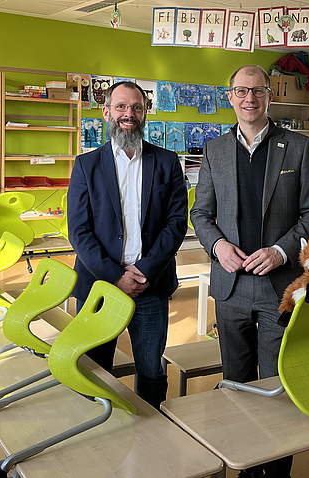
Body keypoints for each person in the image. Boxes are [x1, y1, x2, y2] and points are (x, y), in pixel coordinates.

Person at [190, 65, 309, 478]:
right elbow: (201, 213)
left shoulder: (299, 147)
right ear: (229, 97)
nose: (249, 98)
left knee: (275, 384)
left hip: (279, 288)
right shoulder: (214, 149)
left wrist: (281, 252)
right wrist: (216, 245)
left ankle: (276, 470)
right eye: (240, 91)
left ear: (269, 96)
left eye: (257, 91)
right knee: (235, 382)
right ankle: (247, 465)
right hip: (230, 287)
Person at [67, 81, 188, 410]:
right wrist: (114, 275)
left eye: (136, 107)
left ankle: (150, 428)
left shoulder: (166, 162)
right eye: (121, 107)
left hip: (151, 284)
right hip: (99, 287)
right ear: (106, 112)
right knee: (94, 368)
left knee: (150, 369)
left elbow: (177, 222)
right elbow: (78, 231)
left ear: (145, 113)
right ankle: (98, 430)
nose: (128, 114)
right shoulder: (86, 165)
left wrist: (143, 271)